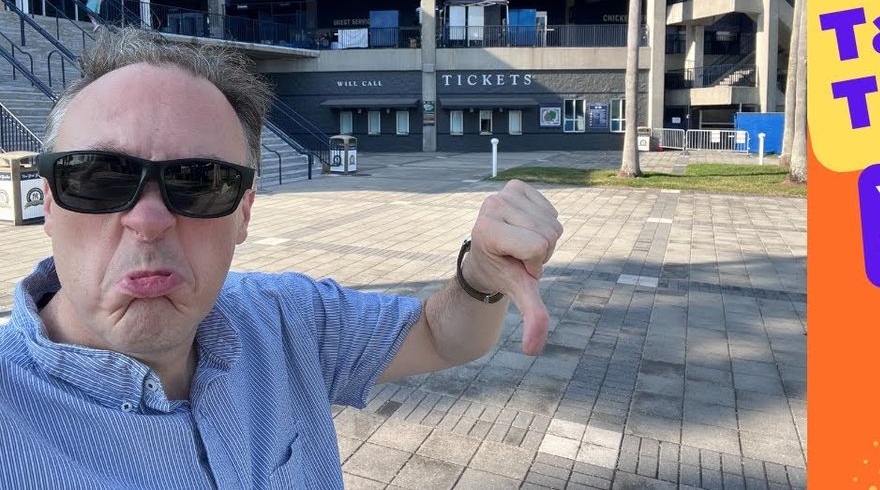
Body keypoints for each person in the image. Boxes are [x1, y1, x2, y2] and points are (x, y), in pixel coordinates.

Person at [0, 30, 562, 487]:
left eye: (200, 182)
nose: (148, 221)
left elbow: (442, 338)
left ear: (244, 212)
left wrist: (479, 277)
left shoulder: (289, 319)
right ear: (48, 202)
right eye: (98, 177)